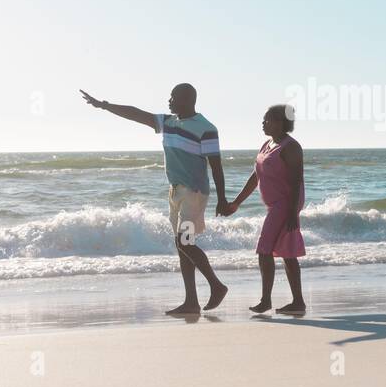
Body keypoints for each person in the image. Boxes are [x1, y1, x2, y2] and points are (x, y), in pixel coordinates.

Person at [80, 83, 229, 313]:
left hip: (194, 193)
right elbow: (136, 113)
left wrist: (222, 199)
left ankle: (216, 286)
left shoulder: (206, 128)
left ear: (188, 100)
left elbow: (216, 166)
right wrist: (104, 106)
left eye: (173, 97)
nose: (169, 101)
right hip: (175, 192)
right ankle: (191, 302)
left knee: (184, 242)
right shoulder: (168, 123)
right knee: (182, 247)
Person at [222, 104, 306, 315]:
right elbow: (255, 177)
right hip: (274, 206)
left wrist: (292, 213)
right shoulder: (267, 144)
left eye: (267, 120)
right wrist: (236, 203)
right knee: (287, 254)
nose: (263, 123)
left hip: (285, 204)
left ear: (279, 123)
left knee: (263, 250)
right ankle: (298, 302)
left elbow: (296, 182)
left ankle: (266, 300)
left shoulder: (290, 147)